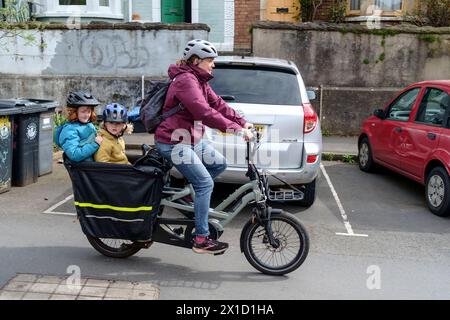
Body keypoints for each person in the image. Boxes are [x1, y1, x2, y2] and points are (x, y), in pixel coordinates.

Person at [155, 39, 254, 255]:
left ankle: (189, 199)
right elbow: (203, 112)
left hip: (189, 140)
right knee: (204, 184)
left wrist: (242, 121)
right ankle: (201, 239)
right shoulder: (186, 81)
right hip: (172, 142)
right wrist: (235, 130)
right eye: (210, 60)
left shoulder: (199, 80)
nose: (213, 64)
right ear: (196, 60)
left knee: (219, 164)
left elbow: (217, 104)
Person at [57, 90, 103, 162]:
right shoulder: (69, 130)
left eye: (89, 111)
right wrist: (95, 144)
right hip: (85, 169)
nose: (87, 115)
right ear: (74, 112)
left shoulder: (89, 125)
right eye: (83, 111)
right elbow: (74, 154)